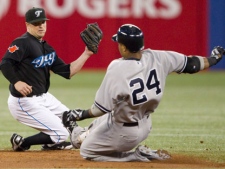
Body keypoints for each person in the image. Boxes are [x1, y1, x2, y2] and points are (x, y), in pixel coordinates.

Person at [62, 24, 225, 162]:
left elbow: (100, 109)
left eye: (119, 43)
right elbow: (192, 65)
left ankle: (133, 155)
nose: (118, 45)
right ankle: (80, 136)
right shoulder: (159, 57)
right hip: (145, 125)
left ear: (124, 48)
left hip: (123, 133)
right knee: (105, 119)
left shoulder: (117, 68)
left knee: (87, 151)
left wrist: (80, 114)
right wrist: (213, 58)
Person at [0, 7, 96, 151]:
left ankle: (49, 144)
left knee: (69, 118)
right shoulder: (21, 42)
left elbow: (68, 72)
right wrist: (17, 81)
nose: (41, 26)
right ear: (28, 25)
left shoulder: (47, 48)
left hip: (44, 98)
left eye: (43, 22)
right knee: (61, 134)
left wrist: (86, 53)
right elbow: (5, 63)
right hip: (23, 101)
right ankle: (21, 143)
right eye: (36, 23)